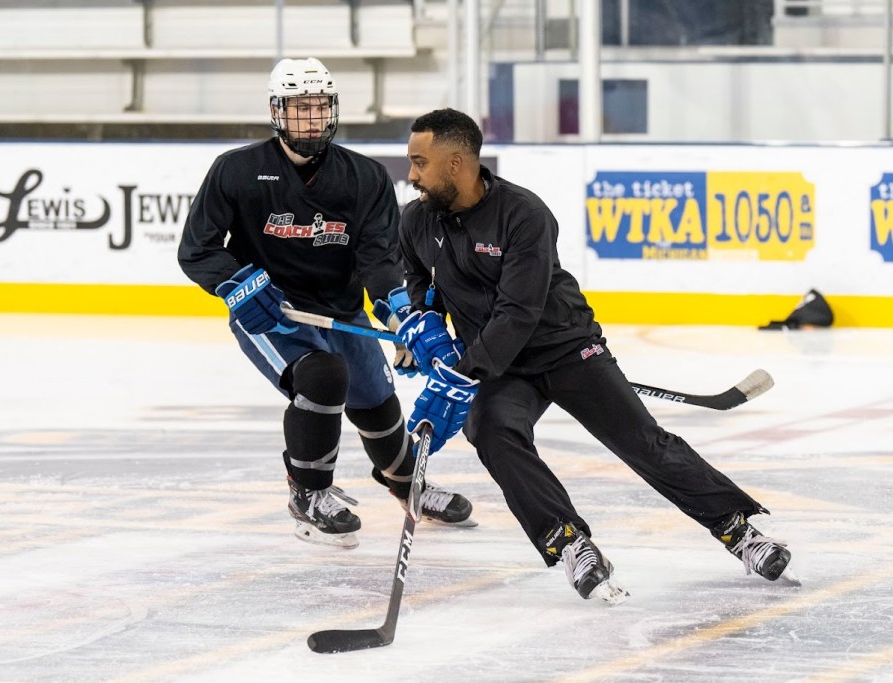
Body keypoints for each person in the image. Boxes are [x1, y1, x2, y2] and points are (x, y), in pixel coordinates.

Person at [388, 107, 792, 603]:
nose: (412, 175)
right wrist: (424, 330)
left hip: (564, 346)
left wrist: (464, 371)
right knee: (492, 432)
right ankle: (568, 541)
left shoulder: (523, 215)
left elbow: (518, 312)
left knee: (643, 442)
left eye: (420, 163)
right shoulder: (416, 220)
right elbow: (418, 280)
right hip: (497, 366)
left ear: (455, 164)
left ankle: (737, 529)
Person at [177, 59, 474, 549]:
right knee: (322, 375)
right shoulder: (237, 170)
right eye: (300, 109)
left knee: (376, 401)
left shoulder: (365, 177)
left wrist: (403, 317)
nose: (312, 119)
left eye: (319, 107)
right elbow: (197, 249)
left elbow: (378, 261)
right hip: (272, 314)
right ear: (277, 111)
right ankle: (309, 493)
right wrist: (238, 286)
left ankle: (406, 483)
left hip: (341, 309)